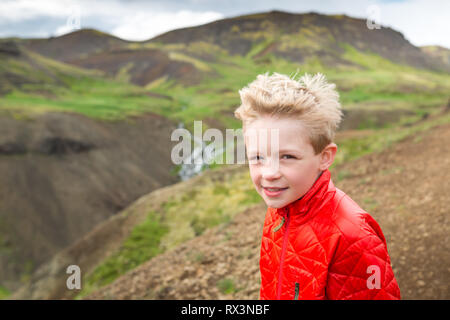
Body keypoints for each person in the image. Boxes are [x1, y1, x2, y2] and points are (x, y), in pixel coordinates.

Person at [234, 71, 401, 300]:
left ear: (325, 156)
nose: (270, 174)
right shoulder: (280, 211)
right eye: (257, 157)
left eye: (288, 157)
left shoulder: (353, 237)